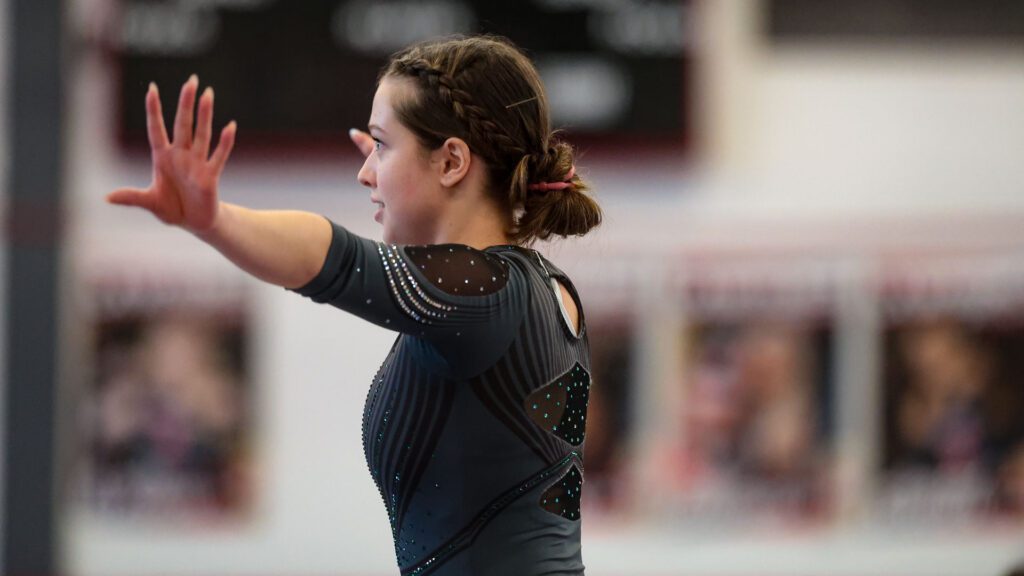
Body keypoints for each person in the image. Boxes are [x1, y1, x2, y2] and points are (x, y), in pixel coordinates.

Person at [108, 35, 602, 575]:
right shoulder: (540, 290)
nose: (365, 173)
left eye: (383, 146)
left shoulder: (491, 294)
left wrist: (213, 219)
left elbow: (331, 256)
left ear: (452, 161)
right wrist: (403, 177)